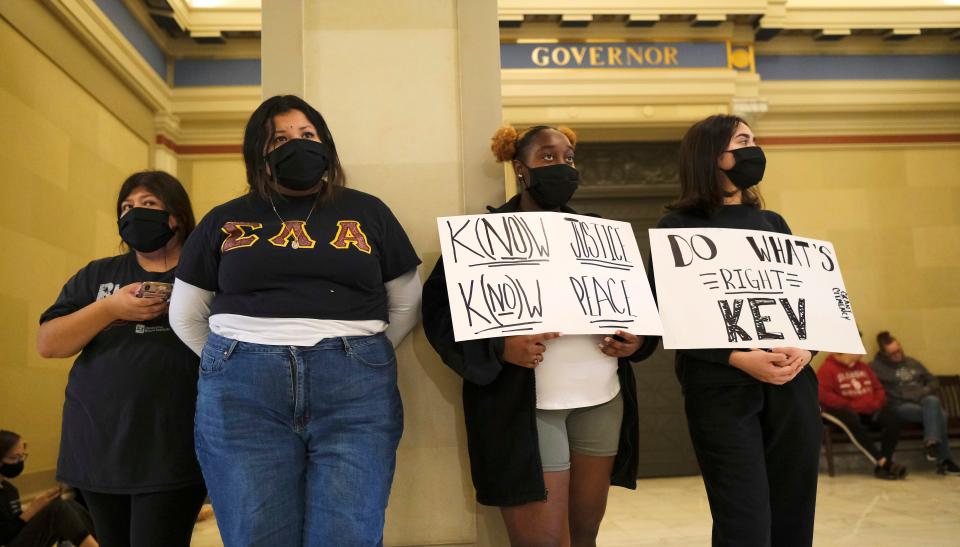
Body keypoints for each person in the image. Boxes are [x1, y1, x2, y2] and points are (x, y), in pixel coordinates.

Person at [168, 95, 422, 547]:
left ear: (326, 145)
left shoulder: (369, 212)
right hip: (243, 392)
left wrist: (360, 354)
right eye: (280, 138)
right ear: (258, 155)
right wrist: (230, 357)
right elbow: (186, 316)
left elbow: (404, 302)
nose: (296, 145)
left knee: (350, 533)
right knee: (256, 533)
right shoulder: (223, 220)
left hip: (354, 390)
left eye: (307, 135)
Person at [423, 124, 657, 547]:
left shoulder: (600, 232)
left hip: (602, 398)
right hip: (528, 406)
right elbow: (440, 316)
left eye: (568, 158)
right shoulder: (483, 235)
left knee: (585, 536)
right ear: (520, 168)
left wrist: (637, 341)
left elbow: (642, 309)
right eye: (548, 157)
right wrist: (498, 347)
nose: (563, 166)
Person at [652, 115, 820, 547]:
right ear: (712, 155)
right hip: (721, 387)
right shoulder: (676, 229)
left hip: (791, 383)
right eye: (742, 140)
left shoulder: (774, 223)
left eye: (754, 139)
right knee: (743, 520)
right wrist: (738, 357)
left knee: (793, 514)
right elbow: (671, 313)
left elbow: (808, 299)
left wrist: (806, 348)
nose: (754, 148)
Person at [36, 171, 206, 547]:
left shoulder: (203, 273)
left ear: (176, 215)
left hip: (171, 446)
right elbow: (49, 343)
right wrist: (111, 308)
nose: (134, 213)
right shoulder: (98, 275)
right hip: (98, 444)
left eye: (148, 205)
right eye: (127, 207)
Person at [871, 331, 960, 475]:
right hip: (900, 406)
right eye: (893, 353)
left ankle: (932, 443)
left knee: (933, 401)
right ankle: (944, 460)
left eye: (899, 350)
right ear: (883, 354)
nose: (898, 355)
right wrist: (910, 395)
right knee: (940, 415)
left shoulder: (913, 362)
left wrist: (925, 390)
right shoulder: (876, 367)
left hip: (923, 401)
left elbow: (932, 380)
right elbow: (879, 390)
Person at [0, 431, 98, 547]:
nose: (20, 462)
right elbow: (4, 536)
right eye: (15, 458)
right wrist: (33, 508)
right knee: (58, 509)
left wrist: (40, 505)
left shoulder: (10, 490)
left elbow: (16, 523)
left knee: (67, 504)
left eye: (22, 457)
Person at [817, 352, 906, 479]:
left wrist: (875, 403)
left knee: (892, 419)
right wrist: (851, 405)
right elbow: (824, 395)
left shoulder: (863, 367)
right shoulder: (827, 368)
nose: (861, 353)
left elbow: (878, 389)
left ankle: (884, 464)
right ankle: (882, 462)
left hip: (868, 409)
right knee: (851, 420)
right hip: (843, 410)